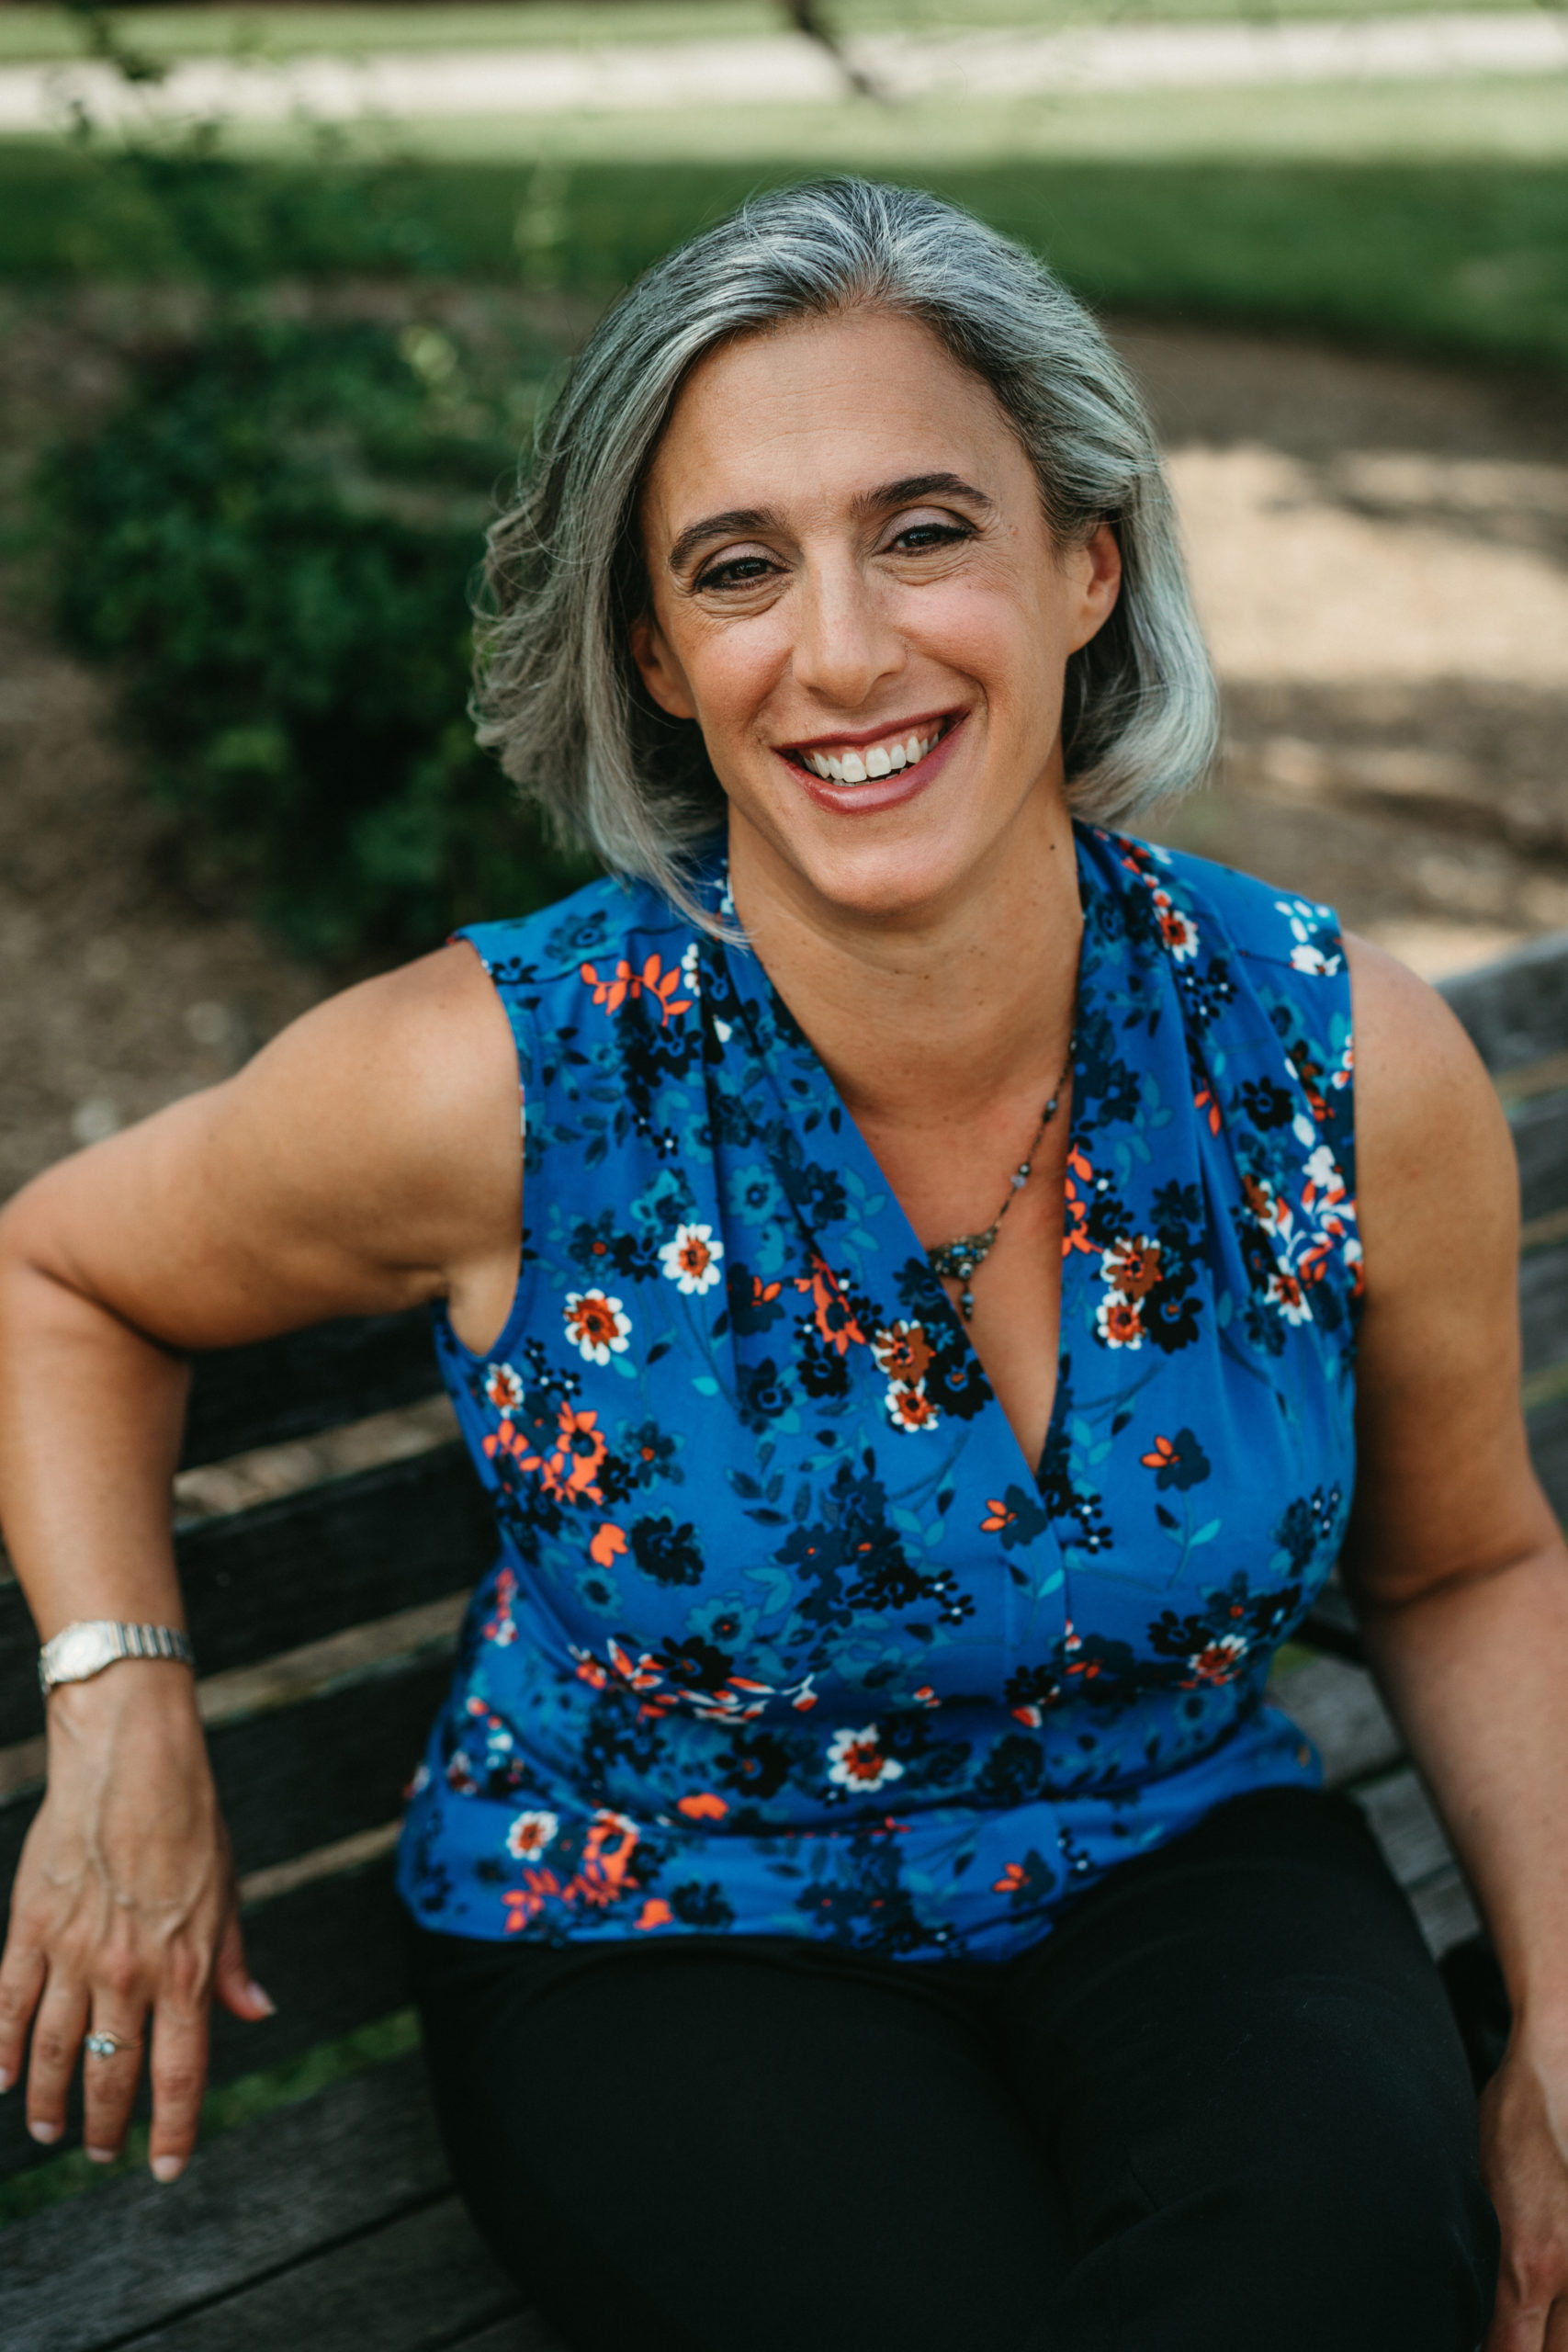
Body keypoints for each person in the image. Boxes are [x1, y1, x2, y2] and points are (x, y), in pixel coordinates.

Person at [0, 175, 1560, 2350]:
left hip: (1171, 1832)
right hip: (659, 1907)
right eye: (738, 568)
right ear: (656, 653)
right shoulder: (500, 1082)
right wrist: (121, 1693)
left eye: (923, 528)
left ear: (1083, 560)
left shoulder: (1325, 1055)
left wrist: (1562, 2020)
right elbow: (60, 1273)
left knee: (1343, 2277)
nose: (839, 648)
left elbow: (1464, 1559)